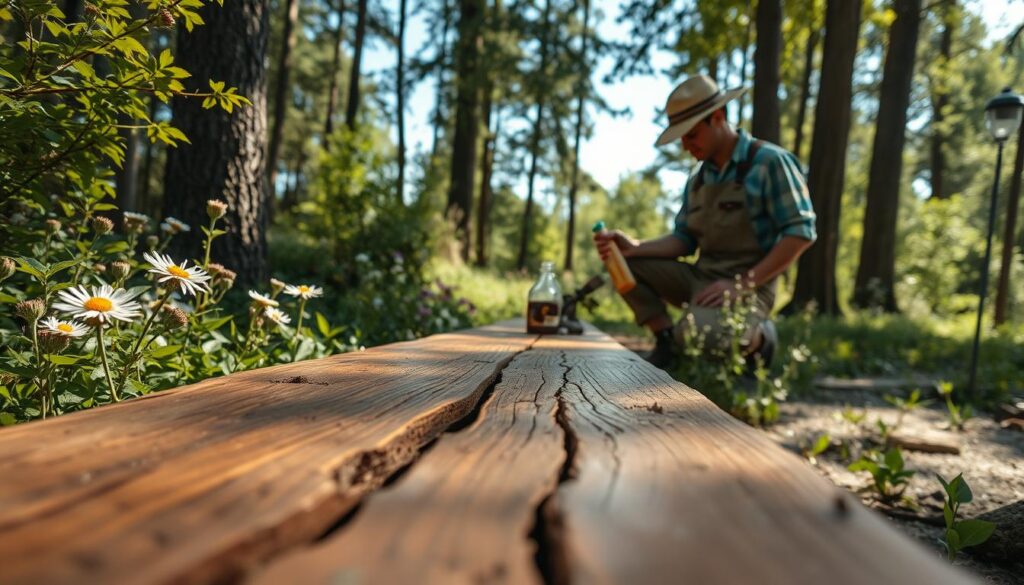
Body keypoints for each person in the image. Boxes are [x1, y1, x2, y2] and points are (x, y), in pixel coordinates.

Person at [594, 75, 817, 369]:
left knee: (698, 334)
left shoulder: (770, 162)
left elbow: (801, 232)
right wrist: (634, 248)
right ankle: (667, 343)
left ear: (718, 117)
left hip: (750, 286)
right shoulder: (698, 180)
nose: (686, 146)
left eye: (691, 134)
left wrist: (741, 285)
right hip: (701, 279)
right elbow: (684, 240)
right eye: (681, 138)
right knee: (622, 264)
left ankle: (761, 338)